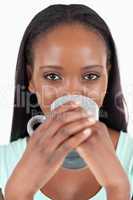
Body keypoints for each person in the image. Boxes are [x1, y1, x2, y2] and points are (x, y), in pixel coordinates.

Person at [0, 3, 133, 200]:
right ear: (31, 79)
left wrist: (118, 187)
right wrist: (17, 193)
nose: (71, 94)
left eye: (90, 76)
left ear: (108, 76)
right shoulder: (4, 162)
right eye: (52, 76)